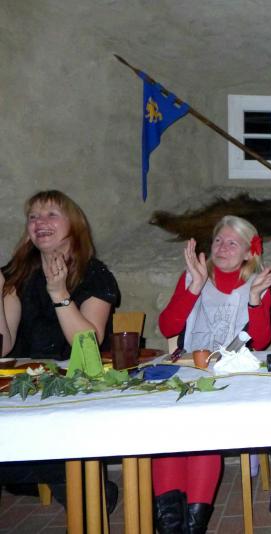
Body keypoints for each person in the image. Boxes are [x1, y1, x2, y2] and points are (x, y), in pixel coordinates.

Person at [156, 215, 271, 534]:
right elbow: (168, 328)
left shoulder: (256, 283)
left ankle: (192, 526)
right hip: (189, 372)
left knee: (202, 428)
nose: (222, 248)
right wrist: (194, 287)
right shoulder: (194, 276)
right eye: (218, 241)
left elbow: (262, 340)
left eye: (232, 243)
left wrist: (255, 300)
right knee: (168, 431)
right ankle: (172, 527)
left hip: (230, 379)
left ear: (249, 252)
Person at [0, 190, 120, 507]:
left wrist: (59, 294)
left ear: (74, 224)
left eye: (51, 214)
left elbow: (88, 344)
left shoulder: (94, 274)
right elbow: (4, 346)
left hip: (76, 386)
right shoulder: (18, 273)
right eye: (33, 217)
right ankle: (77, 488)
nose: (40, 222)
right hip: (24, 387)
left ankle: (84, 495)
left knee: (47, 447)